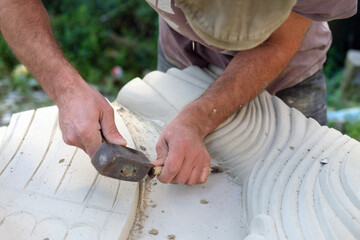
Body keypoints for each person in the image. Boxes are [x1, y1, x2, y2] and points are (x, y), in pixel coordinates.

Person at [0, 0, 357, 186]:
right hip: (181, 55)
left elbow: (277, 44)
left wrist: (198, 118)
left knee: (296, 189)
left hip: (287, 77)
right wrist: (66, 89)